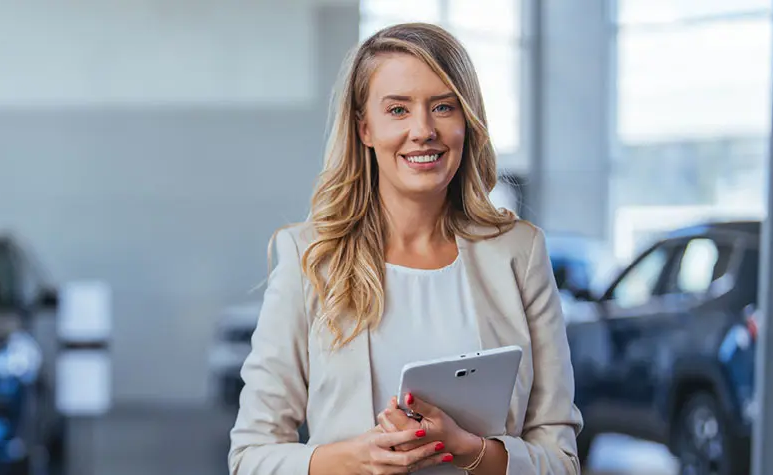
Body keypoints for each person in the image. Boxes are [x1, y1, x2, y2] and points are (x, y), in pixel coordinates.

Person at [227, 23, 581, 475]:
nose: (423, 130)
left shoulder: (520, 253)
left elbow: (561, 460)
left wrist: (469, 450)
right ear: (365, 128)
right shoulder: (309, 257)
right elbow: (251, 457)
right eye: (398, 109)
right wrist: (354, 459)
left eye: (443, 107)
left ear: (467, 122)